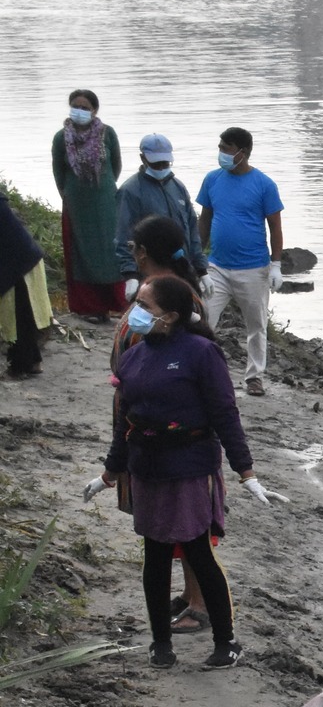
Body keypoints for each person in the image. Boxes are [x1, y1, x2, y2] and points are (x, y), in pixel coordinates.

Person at [87, 276, 279, 670]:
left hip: (189, 467)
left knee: (197, 552)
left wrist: (246, 471)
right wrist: (109, 473)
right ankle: (161, 642)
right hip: (147, 468)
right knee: (155, 557)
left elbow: (225, 413)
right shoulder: (133, 357)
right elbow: (124, 421)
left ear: (171, 316)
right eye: (135, 302)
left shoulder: (201, 353)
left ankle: (226, 642)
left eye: (145, 306)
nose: (134, 312)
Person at [109, 216, 212, 635]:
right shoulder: (161, 291)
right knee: (165, 520)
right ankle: (190, 596)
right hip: (148, 423)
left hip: (172, 434)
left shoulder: (176, 297)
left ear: (143, 253)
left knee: (186, 522)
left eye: (134, 247)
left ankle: (200, 602)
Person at [196, 126, 284, 396]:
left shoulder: (264, 185)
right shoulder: (212, 179)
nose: (221, 152)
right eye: (220, 147)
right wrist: (198, 259)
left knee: (256, 325)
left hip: (254, 268)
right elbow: (205, 219)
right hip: (217, 267)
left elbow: (275, 228)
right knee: (204, 319)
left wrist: (276, 265)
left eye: (226, 148)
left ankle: (254, 377)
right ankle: (198, 372)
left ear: (242, 153)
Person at [50, 88, 124, 321]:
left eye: (85, 107)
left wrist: (103, 187)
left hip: (104, 202)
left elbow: (116, 166)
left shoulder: (107, 134)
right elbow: (59, 172)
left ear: (94, 110)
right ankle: (89, 307)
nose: (79, 111)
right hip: (76, 204)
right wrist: (68, 195)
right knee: (80, 251)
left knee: (109, 250)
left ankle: (115, 303)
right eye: (75, 106)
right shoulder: (61, 137)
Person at [114, 134, 205, 298]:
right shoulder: (131, 191)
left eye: (165, 163)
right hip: (149, 271)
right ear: (143, 158)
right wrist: (130, 274)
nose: (161, 167)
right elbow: (122, 236)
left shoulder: (178, 187)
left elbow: (192, 229)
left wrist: (201, 269)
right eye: (156, 163)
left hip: (181, 268)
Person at [1, 188, 52, 379]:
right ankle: (33, 362)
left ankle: (20, 367)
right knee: (25, 316)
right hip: (23, 258)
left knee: (19, 316)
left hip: (19, 262)